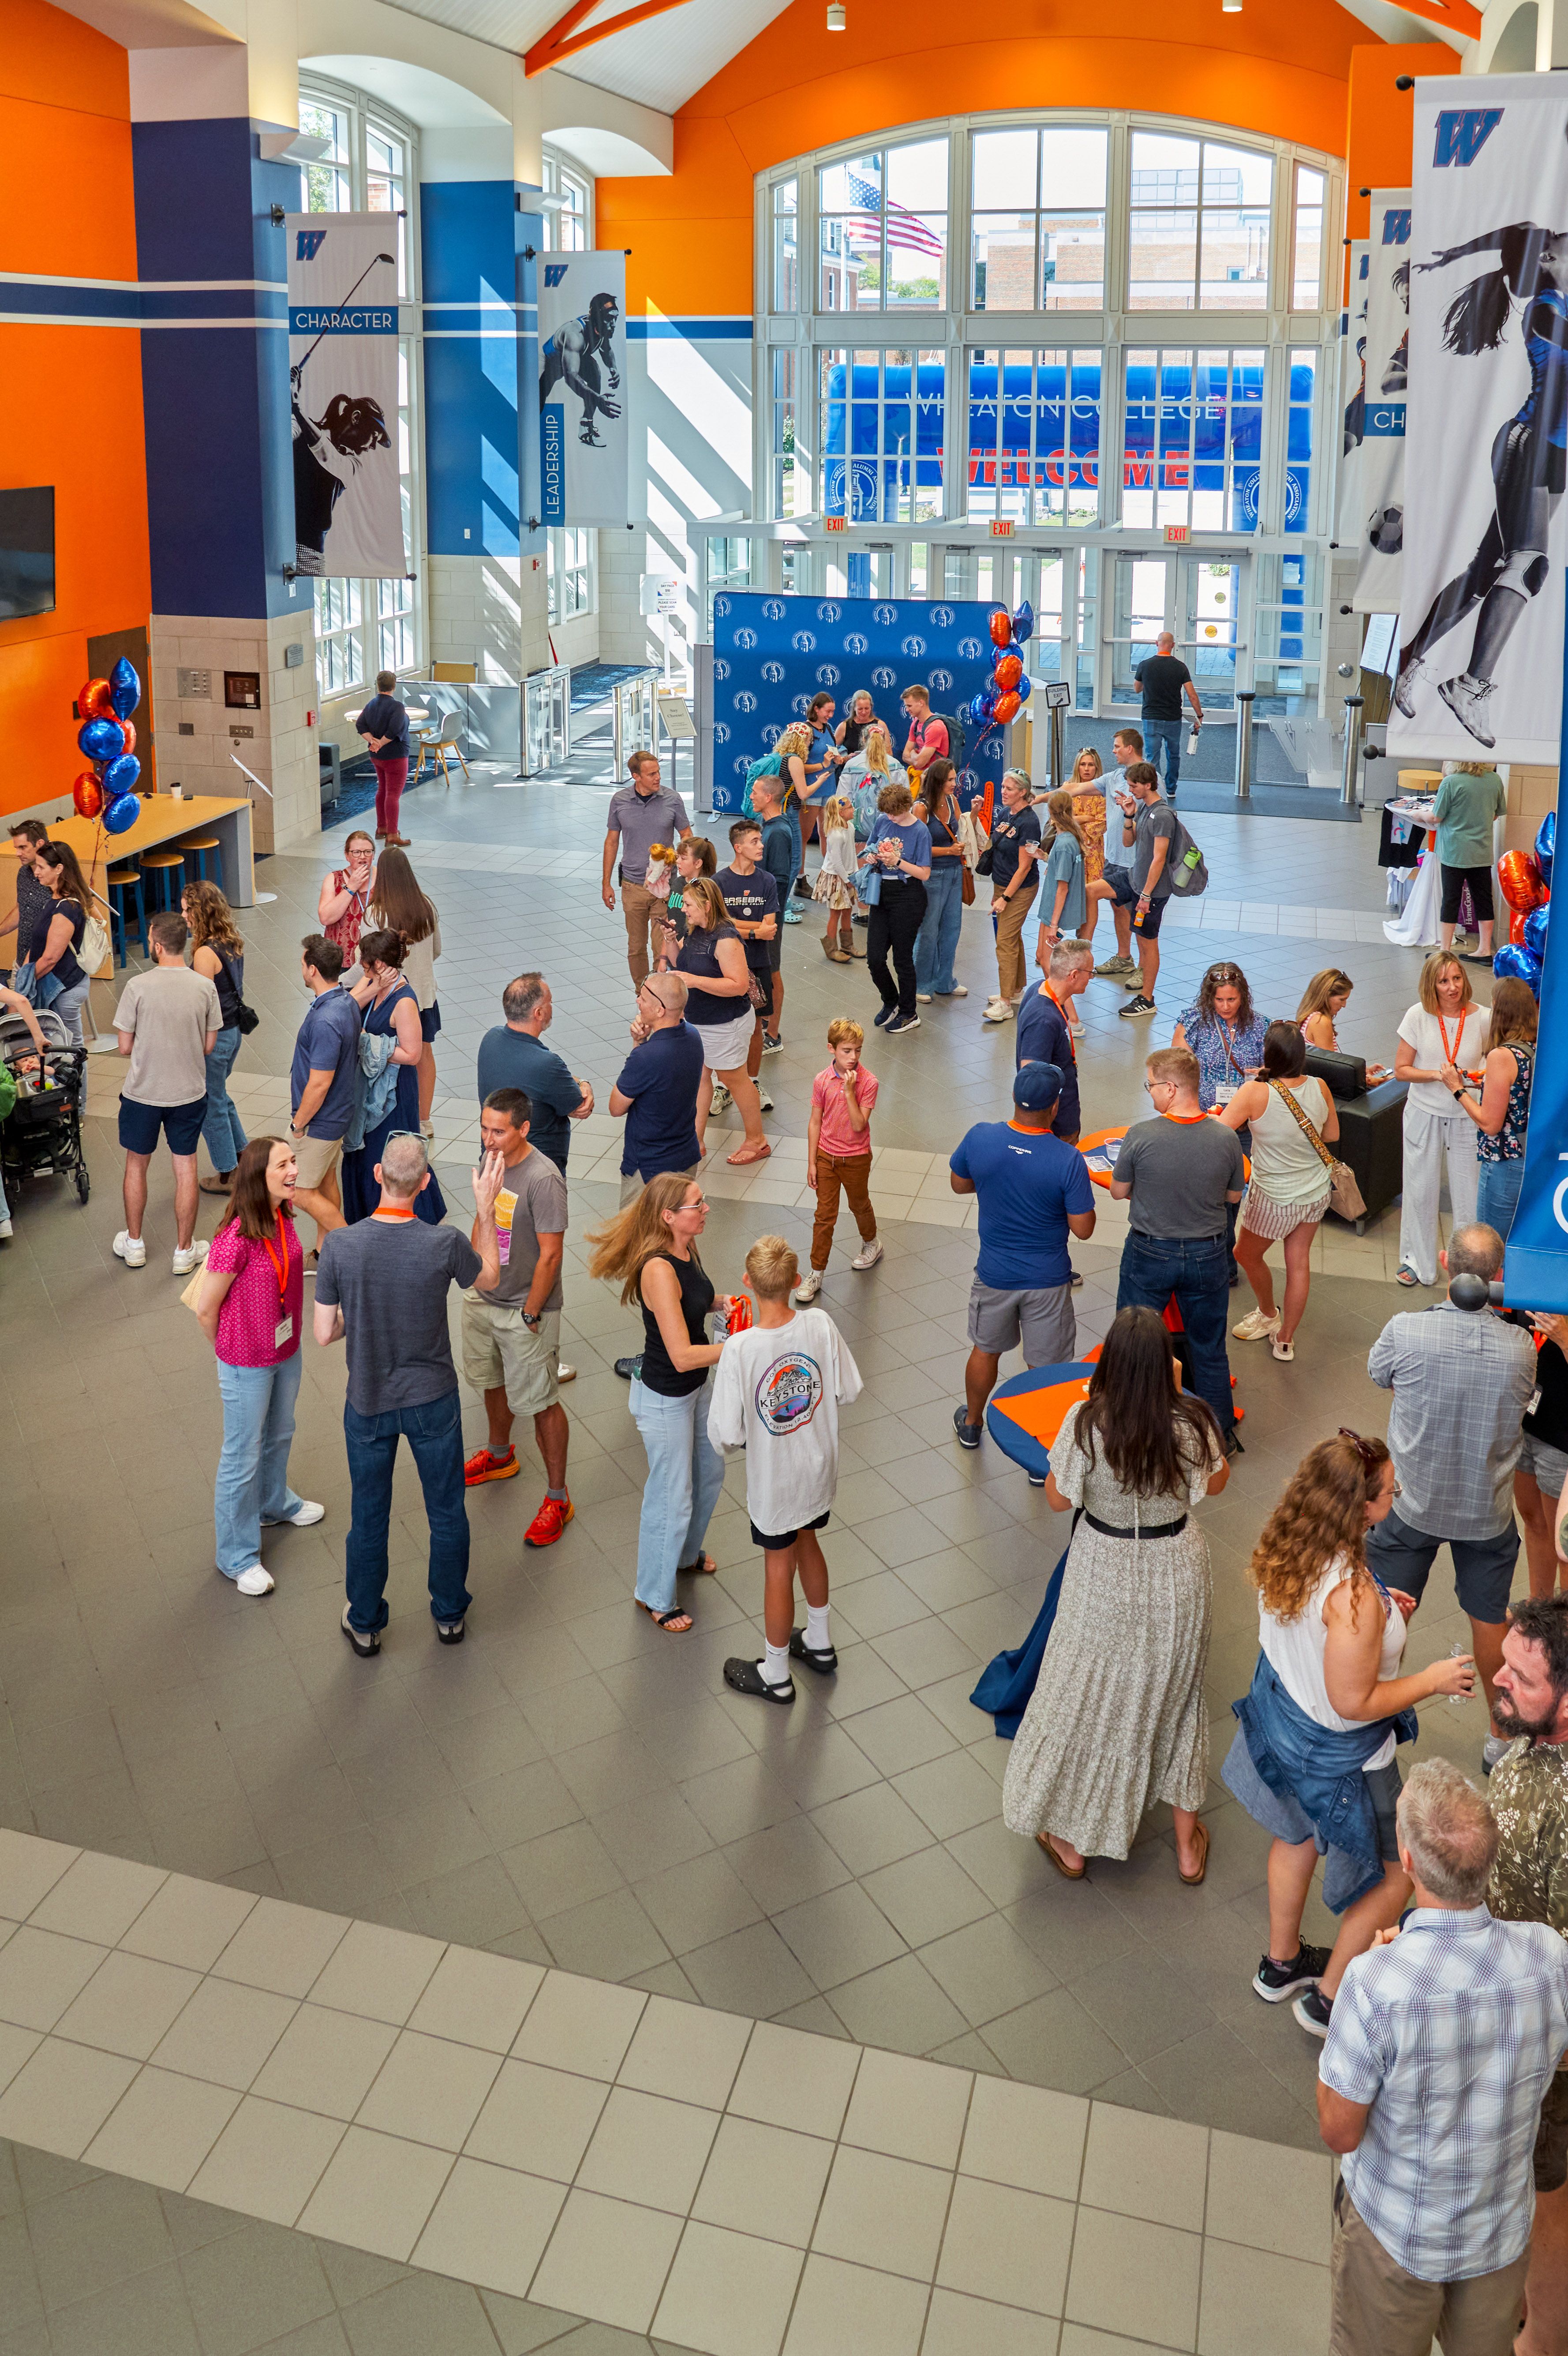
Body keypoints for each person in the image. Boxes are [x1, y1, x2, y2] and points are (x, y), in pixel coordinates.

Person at [1223, 1430, 1475, 2038]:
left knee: (1295, 1834)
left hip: (1281, 1718)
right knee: (1397, 1874)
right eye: (1389, 1490)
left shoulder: (1290, 1540)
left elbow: (1321, 1639)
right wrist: (1430, 1679)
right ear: (1359, 1506)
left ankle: (1279, 1964)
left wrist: (1386, 1613)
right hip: (1340, 1753)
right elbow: (1355, 1700)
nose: (1395, 1495)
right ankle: (1327, 2001)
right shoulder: (1352, 1596)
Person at [1318, 1758, 1568, 2356]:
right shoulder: (1546, 1956)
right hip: (1498, 2233)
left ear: (1407, 1862)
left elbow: (1338, 2129)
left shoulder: (1376, 1984)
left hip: (1395, 2238)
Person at [1002, 1305, 1227, 1880]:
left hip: (1101, 1567)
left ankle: (1074, 1843)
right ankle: (1184, 1848)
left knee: (1082, 1694)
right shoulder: (1190, 1420)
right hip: (1175, 1565)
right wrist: (1180, 1397)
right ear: (1162, 1367)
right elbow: (1215, 1483)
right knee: (1178, 1697)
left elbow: (1056, 1498)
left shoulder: (1084, 1421)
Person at [315, 1133, 505, 1654]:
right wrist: (485, 1210)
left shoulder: (340, 1246)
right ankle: (448, 1614)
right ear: (424, 1184)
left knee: (369, 1515)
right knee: (446, 1510)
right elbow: (489, 1276)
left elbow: (323, 1333)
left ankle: (367, 1621)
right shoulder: (442, 1243)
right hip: (434, 1402)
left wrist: (365, 1313)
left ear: (378, 1175)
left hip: (368, 1403)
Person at [1366, 1222, 1536, 1771]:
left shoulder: (1405, 1329)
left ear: (1444, 1263)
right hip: (1486, 1510)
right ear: (1499, 1278)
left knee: (1387, 1612)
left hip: (1411, 1503)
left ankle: (1367, 1716)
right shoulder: (1518, 1349)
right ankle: (1499, 1739)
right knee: (1491, 1623)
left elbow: (1379, 1373)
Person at [711, 1234, 863, 1704]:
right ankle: (818, 1640)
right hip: (817, 1469)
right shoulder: (818, 1322)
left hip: (775, 1482)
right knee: (810, 1541)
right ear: (797, 1281)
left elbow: (727, 1435)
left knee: (779, 1563)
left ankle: (775, 1672)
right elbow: (849, 1388)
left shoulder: (740, 1349)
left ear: (746, 1283)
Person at [585, 1173, 727, 1634]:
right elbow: (683, 1354)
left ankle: (684, 1556)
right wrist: (742, 1348)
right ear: (669, 1217)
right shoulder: (658, 1268)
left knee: (709, 1472)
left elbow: (692, 1301)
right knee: (672, 1496)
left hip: (696, 1387)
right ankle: (655, 1594)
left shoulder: (688, 1248)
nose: (705, 1209)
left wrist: (720, 1302)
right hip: (667, 1395)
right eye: (697, 1204)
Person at [1485, 1596, 1568, 2356]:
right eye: (1505, 1663)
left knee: (1551, 2205)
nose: (1498, 1680)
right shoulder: (1532, 1754)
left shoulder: (1554, 1810)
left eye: (1523, 1677)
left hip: (1549, 2057)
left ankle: (1542, 2337)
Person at [196, 1135, 322, 1597]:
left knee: (281, 1430)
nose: (294, 1171)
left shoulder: (283, 1214)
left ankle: (274, 1503)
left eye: (293, 1161)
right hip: (246, 1361)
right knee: (242, 1453)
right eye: (283, 1165)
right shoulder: (235, 1239)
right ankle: (236, 1554)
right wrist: (230, 1352)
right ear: (258, 1177)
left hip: (284, 1350)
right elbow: (206, 1308)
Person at [950, 1064, 1096, 1455]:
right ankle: (1042, 1444)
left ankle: (972, 1422)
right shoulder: (1067, 1160)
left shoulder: (981, 1137)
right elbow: (1083, 1230)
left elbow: (959, 1183)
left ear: (1015, 1098)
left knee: (985, 1349)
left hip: (994, 1274)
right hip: (1047, 1280)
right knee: (1046, 1367)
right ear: (1055, 1107)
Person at [1111, 1046, 1245, 1452]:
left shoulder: (1141, 1136)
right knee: (1208, 1347)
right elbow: (1233, 1195)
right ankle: (1217, 1436)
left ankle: (1130, 1429)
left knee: (1136, 1343)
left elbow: (1119, 1192)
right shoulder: (1226, 1137)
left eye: (1151, 1085)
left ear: (1170, 1089)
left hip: (1150, 1252)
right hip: (1207, 1255)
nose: (1149, 1093)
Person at [459, 1090, 573, 1547]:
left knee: (542, 1401)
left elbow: (551, 1255)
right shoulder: (493, 1160)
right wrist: (473, 1276)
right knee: (491, 1380)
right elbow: (482, 1216)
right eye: (485, 1127)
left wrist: (531, 1313)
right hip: (485, 1297)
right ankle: (501, 1454)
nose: (489, 1138)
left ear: (524, 1129)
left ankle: (558, 1497)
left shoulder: (544, 1179)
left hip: (525, 1309)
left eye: (499, 1130)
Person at [1218, 1020, 1338, 1363]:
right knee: (1298, 1262)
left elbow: (1221, 1131)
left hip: (1273, 1195)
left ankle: (1269, 1314)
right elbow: (1331, 1134)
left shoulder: (1255, 1092)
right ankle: (1284, 1340)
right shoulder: (1319, 1085)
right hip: (1315, 1191)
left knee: (1245, 1254)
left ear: (1268, 1056)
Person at [112, 910, 221, 1277]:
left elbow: (125, 1046)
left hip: (143, 1093)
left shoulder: (137, 987)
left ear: (157, 945)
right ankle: (184, 1250)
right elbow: (209, 1045)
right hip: (189, 1092)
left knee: (136, 1165)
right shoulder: (204, 988)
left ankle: (135, 1243)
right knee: (186, 1166)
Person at [1393, 949, 1488, 1288]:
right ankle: (1416, 1261)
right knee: (1420, 1189)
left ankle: (1470, 1267)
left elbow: (1493, 1063)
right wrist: (1438, 1076)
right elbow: (1402, 1070)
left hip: (1465, 1114)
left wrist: (1474, 1077)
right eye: (1444, 981)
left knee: (1468, 1193)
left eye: (1457, 978)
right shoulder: (1417, 1016)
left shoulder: (1483, 1018)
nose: (1452, 988)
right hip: (1424, 1112)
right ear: (1431, 985)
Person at [341, 929, 446, 1227]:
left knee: (388, 1151)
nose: (361, 967)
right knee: (365, 1149)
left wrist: (369, 1043)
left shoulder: (404, 1001)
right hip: (371, 1086)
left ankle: (405, 1215)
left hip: (394, 1093)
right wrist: (371, 990)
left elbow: (412, 1054)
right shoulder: (375, 984)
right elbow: (348, 1005)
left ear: (381, 965)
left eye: (366, 964)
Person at [674, 878, 769, 1166]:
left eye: (688, 904)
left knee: (734, 1079)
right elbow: (682, 965)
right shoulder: (697, 930)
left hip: (725, 1023)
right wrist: (670, 942)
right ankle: (696, 1140)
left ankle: (757, 1141)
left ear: (705, 906)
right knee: (700, 1077)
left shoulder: (726, 939)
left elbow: (739, 986)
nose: (684, 910)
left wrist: (694, 981)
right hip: (701, 1020)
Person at [476, 973, 594, 1181]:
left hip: (494, 1167)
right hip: (537, 1174)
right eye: (550, 1002)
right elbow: (579, 1107)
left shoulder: (490, 1039)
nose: (552, 1007)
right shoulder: (547, 1064)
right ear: (538, 1013)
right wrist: (584, 1083)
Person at [1447, 974, 1536, 1241]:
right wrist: (1485, 1083)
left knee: (1491, 1244)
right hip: (1529, 1157)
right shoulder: (1534, 1047)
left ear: (1498, 1008)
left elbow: (1490, 1123)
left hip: (1504, 1164)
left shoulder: (1502, 1056)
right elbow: (1520, 1092)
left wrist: (1458, 1089)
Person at [797, 1017, 881, 1301]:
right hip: (826, 1158)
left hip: (856, 1158)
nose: (853, 1057)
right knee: (824, 1217)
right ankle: (816, 1272)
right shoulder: (821, 1080)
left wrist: (849, 1091)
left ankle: (871, 1242)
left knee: (859, 1205)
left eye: (858, 1050)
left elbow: (859, 1125)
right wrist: (811, 1162)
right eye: (847, 1050)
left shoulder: (868, 1082)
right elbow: (815, 1122)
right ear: (831, 1049)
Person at [288, 935, 360, 1257]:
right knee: (328, 1180)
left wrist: (298, 1124)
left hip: (320, 1121)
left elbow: (319, 1084)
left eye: (303, 963)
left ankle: (354, 1250)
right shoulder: (345, 1002)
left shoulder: (325, 1020)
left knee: (298, 1192)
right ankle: (323, 1249)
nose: (301, 968)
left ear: (313, 969)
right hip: (340, 1113)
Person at [1087, 762, 1176, 1019]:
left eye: (1134, 785)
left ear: (1148, 785)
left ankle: (1147, 999)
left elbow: (1159, 859)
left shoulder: (1162, 815)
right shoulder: (1143, 808)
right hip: (1133, 878)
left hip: (1152, 890)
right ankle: (1085, 948)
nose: (1130, 789)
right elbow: (1129, 842)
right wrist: (1128, 816)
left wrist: (1146, 896)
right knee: (1091, 891)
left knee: (1147, 944)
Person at [611, 972, 705, 1209]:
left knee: (636, 1240)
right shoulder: (693, 1036)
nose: (637, 1001)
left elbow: (616, 1107)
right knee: (677, 1233)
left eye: (643, 998)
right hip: (685, 1156)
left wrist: (638, 1047)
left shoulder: (646, 1057)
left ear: (660, 1010)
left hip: (649, 1169)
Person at [602, 750, 692, 985]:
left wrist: (687, 875)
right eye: (651, 774)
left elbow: (686, 835)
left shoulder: (672, 799)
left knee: (661, 945)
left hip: (666, 887)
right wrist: (606, 883)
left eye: (659, 772)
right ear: (636, 776)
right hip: (633, 887)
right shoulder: (620, 801)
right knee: (636, 946)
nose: (658, 778)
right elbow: (612, 842)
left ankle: (660, 994)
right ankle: (643, 992)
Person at [367, 846, 441, 1133]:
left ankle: (388, 1114)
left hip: (390, 1001)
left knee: (389, 1057)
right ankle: (424, 1120)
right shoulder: (427, 906)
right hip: (424, 996)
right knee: (424, 1055)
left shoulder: (376, 915)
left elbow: (367, 960)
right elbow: (436, 951)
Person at [183, 880, 248, 1195]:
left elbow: (201, 1005)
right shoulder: (232, 941)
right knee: (221, 1095)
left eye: (187, 910)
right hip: (233, 1032)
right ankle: (243, 1153)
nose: (184, 916)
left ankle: (227, 1173)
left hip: (216, 1037)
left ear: (200, 912)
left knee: (211, 1104)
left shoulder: (205, 954)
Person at [715, 818, 780, 1115]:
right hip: (725, 966)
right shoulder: (718, 883)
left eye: (760, 841)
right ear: (737, 847)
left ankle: (752, 1080)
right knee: (723, 1025)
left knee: (756, 1026)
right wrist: (753, 931)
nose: (761, 846)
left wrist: (734, 926)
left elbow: (771, 926)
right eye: (755, 841)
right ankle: (723, 1085)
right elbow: (718, 926)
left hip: (758, 963)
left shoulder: (766, 881)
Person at [864, 779, 932, 1036]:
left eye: (894, 813)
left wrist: (898, 861)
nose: (890, 818)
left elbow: (924, 873)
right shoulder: (883, 821)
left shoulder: (920, 831)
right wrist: (871, 856)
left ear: (907, 807)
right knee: (875, 958)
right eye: (887, 813)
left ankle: (908, 1011)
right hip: (882, 892)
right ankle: (890, 1000)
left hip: (909, 895)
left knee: (902, 958)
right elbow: (871, 845)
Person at [1017, 939, 1093, 1143]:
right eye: (1090, 973)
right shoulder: (1043, 1020)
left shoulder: (1039, 988)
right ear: (1074, 975)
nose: (1091, 978)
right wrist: (1043, 1131)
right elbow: (1031, 1079)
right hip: (1055, 1128)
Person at [982, 770, 1042, 1024]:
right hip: (1001, 883)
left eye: (1009, 788)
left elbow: (1025, 867)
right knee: (1011, 936)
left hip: (1019, 889)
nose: (1003, 792)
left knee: (1004, 941)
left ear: (1023, 792)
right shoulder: (1006, 813)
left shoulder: (1029, 822)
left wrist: (1005, 898)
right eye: (1003, 787)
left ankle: (1005, 1003)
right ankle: (1016, 990)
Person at [1435, 760, 1508, 961]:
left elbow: (1437, 816)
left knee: (1450, 900)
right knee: (1484, 899)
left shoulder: (1451, 782)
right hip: (1482, 852)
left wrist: (1416, 813)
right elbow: (1496, 815)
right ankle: (1485, 950)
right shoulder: (1495, 780)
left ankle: (1445, 951)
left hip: (1454, 852)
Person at [27, 839, 96, 1050]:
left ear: (59, 869)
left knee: (71, 1049)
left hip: (64, 988)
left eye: (41, 867)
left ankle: (77, 1084)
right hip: (63, 983)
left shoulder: (66, 908)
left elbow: (50, 959)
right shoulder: (57, 898)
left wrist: (25, 982)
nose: (36, 872)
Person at [1517, 1320, 1568, 1600]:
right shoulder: (1546, 1283)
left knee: (1564, 1541)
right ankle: (1539, 1610)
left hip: (1562, 1441)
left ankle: (1562, 1630)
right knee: (1533, 1518)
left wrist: (1565, 1340)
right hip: (1530, 1419)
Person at [913, 758, 967, 1003]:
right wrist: (949, 852)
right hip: (932, 876)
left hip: (955, 873)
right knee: (928, 931)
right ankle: (922, 983)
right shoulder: (921, 808)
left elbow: (960, 832)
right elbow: (917, 850)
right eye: (950, 780)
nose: (955, 784)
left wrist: (974, 816)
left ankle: (946, 980)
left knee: (952, 929)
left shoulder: (952, 801)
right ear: (938, 781)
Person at [1091, 732, 1143, 980]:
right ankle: (1124, 958)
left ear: (1130, 749)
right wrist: (1042, 798)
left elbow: (1159, 820)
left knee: (1143, 916)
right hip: (1113, 858)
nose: (1113, 751)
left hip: (1136, 863)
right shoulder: (1114, 777)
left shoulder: (1148, 780)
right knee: (1119, 907)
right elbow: (1078, 787)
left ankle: (1145, 969)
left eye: (1117, 747)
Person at [750, 774, 798, 1033]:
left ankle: (773, 1033)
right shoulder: (765, 824)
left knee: (773, 971)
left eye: (755, 792)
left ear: (769, 797)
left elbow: (780, 882)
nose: (751, 796)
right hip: (758, 915)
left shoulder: (778, 833)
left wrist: (767, 917)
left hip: (769, 917)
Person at [1133, 630, 1201, 797]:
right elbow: (1192, 695)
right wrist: (1199, 715)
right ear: (1173, 646)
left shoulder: (1145, 665)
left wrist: (1148, 683)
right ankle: (1171, 788)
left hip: (1151, 718)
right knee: (1173, 754)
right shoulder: (1180, 667)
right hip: (1173, 719)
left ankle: (1155, 790)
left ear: (1157, 644)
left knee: (1152, 757)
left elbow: (1137, 688)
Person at [354, 670, 412, 846]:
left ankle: (382, 827)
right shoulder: (397, 707)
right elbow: (394, 730)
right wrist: (381, 743)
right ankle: (393, 834)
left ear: (378, 686)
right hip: (395, 756)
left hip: (376, 756)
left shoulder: (371, 704)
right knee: (393, 795)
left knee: (382, 790)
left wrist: (373, 741)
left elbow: (360, 724)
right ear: (394, 687)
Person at [1033, 789, 1087, 970]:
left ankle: (1060, 999)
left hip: (1055, 913)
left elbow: (1063, 888)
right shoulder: (1068, 838)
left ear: (1050, 812)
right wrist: (1046, 857)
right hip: (1051, 909)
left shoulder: (1064, 844)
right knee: (1042, 956)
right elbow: (1065, 867)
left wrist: (1054, 925)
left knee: (1048, 963)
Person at [0, 818, 51, 985]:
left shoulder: (58, 877)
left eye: (23, 847)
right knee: (16, 1011)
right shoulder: (23, 874)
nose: (17, 853)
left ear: (40, 844)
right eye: (17, 848)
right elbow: (23, 909)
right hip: (22, 961)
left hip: (48, 968)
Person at [1067, 746, 1108, 946]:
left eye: (1091, 765)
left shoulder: (1102, 792)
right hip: (1070, 852)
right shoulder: (1068, 789)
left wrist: (1075, 820)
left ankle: (1086, 942)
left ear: (1097, 767)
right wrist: (1086, 818)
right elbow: (1060, 819)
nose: (1086, 769)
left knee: (1089, 897)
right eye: (1083, 764)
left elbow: (1101, 824)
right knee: (1068, 894)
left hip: (1092, 855)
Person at [318, 831, 377, 967]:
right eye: (356, 852)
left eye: (368, 852)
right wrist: (351, 888)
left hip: (375, 958)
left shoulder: (383, 878)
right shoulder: (333, 879)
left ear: (373, 855)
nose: (362, 857)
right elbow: (326, 918)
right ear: (347, 855)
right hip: (341, 959)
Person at [812, 796, 859, 964]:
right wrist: (847, 879)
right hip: (836, 878)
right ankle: (832, 949)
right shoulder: (836, 835)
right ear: (841, 812)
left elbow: (851, 854)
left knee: (848, 910)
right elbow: (837, 862)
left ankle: (847, 946)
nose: (853, 809)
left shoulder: (850, 827)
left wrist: (856, 872)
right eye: (850, 807)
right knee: (836, 913)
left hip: (848, 876)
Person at [900, 683, 948, 778]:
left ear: (921, 703)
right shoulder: (916, 723)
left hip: (935, 779)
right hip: (921, 778)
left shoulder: (935, 727)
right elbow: (905, 756)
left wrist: (914, 753)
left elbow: (920, 763)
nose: (907, 710)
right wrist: (917, 760)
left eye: (909, 706)